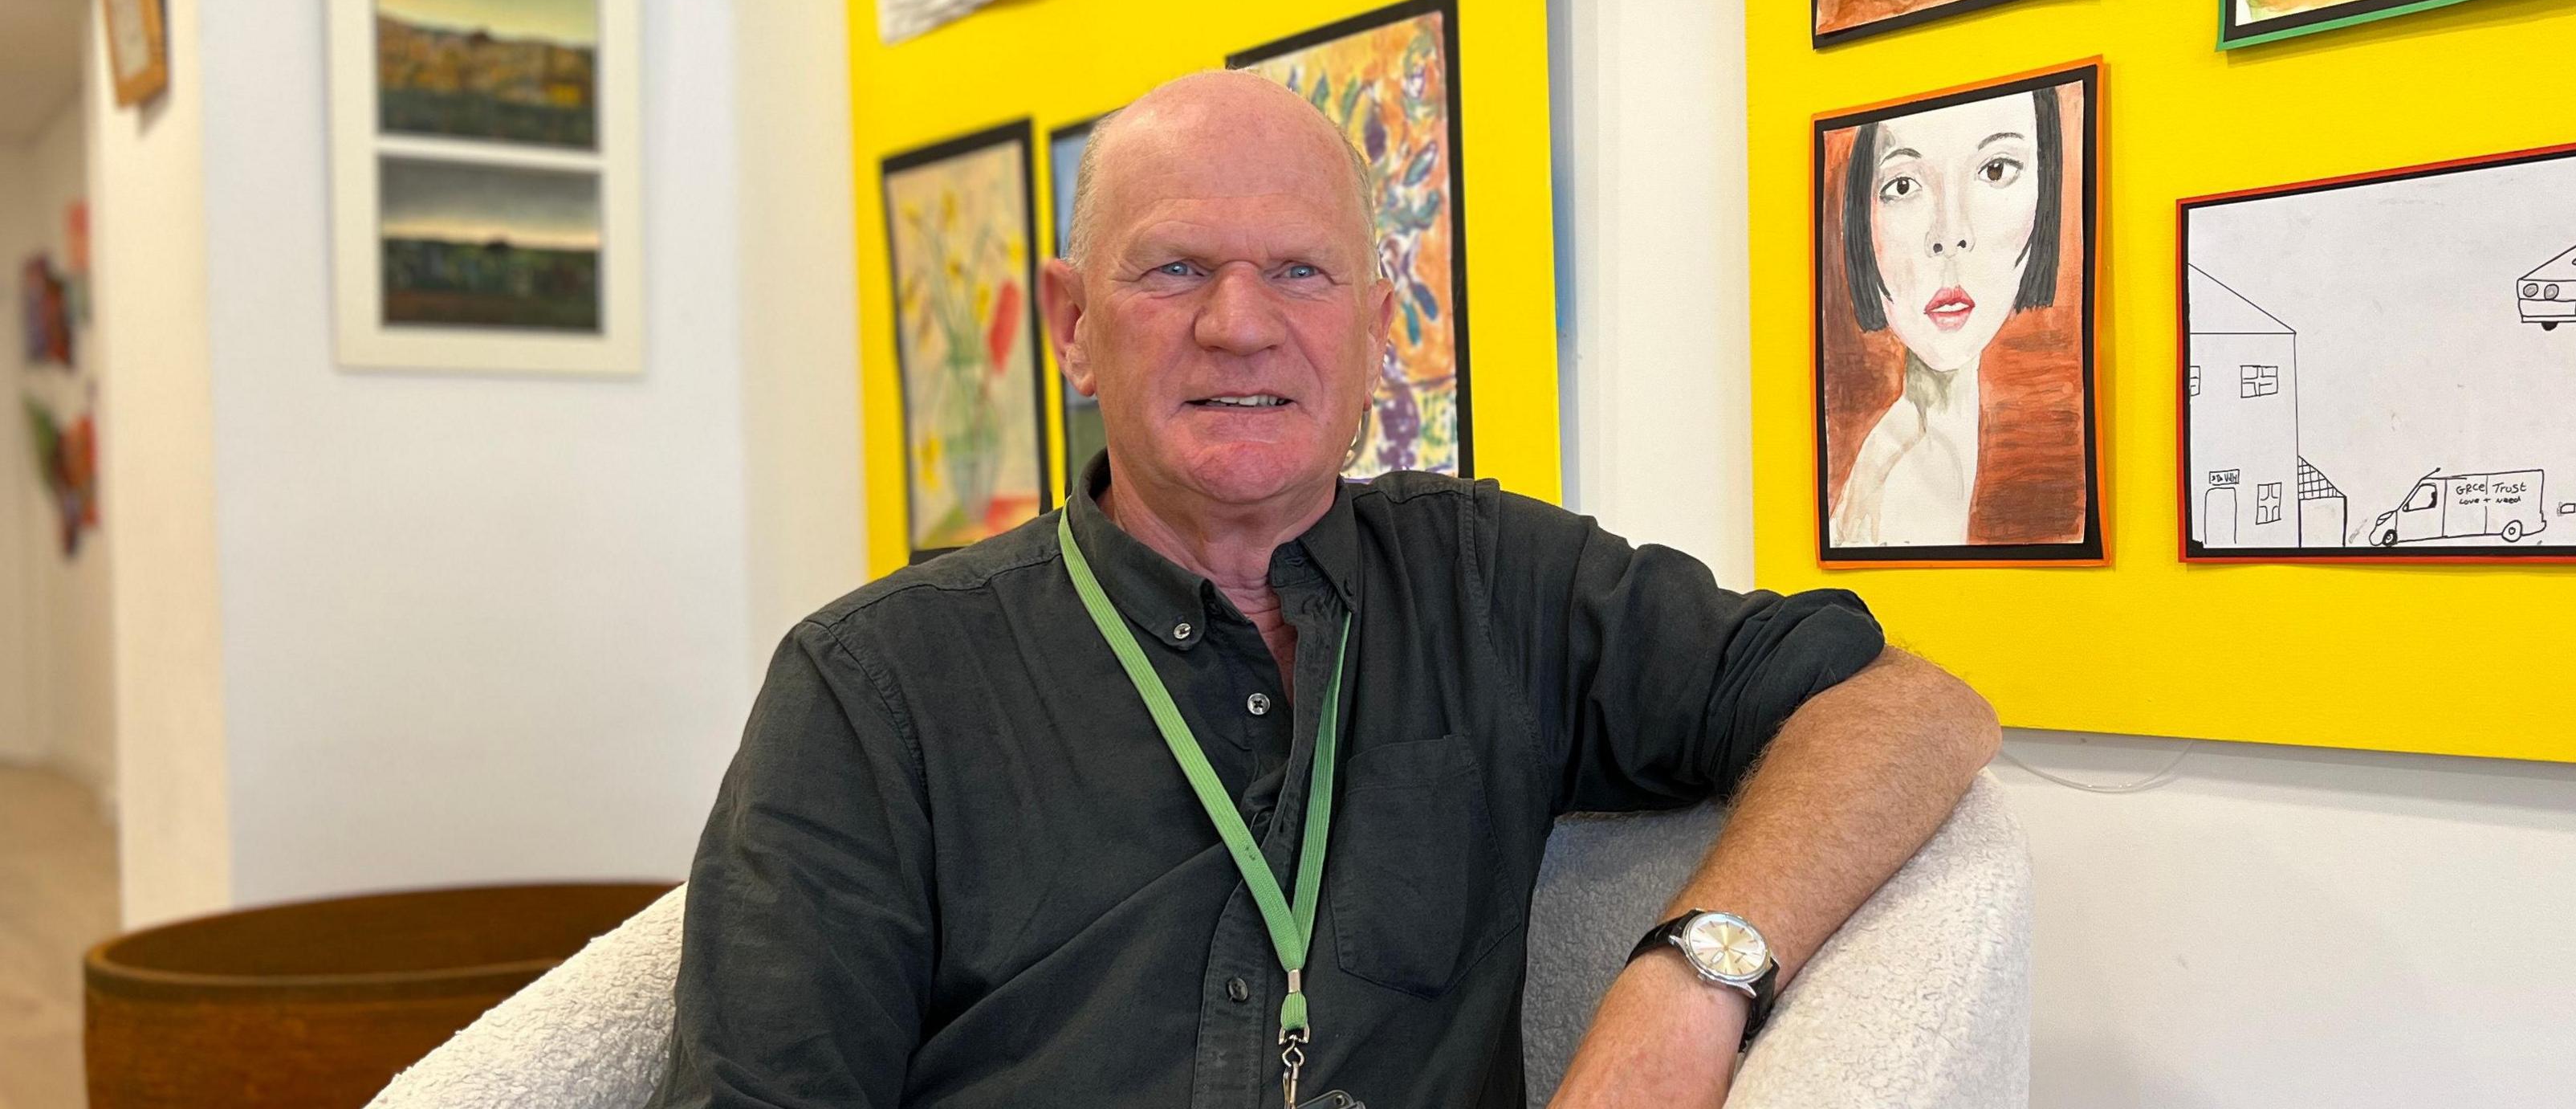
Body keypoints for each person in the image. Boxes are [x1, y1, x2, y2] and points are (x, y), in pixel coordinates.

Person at [653, 71, 1998, 1109]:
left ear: (1374, 327)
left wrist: (1697, 972)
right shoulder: (874, 688)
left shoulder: (1497, 583)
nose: (1240, 321)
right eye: (1176, 266)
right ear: (1071, 325)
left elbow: (1912, 708)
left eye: (1299, 269)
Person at [1828, 85, 2065, 548]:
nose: (1950, 234)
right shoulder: (1911, 477)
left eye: (1996, 170)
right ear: (1861, 216)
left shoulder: (1936, 435)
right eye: (1902, 186)